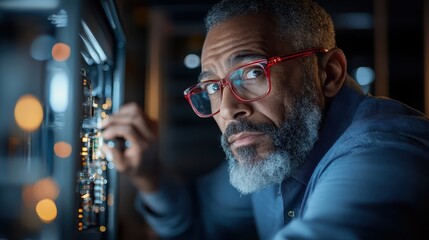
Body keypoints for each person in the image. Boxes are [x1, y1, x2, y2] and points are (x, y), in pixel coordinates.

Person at [101, 0, 429, 239]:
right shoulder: (277, 150)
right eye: (213, 86)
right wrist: (148, 174)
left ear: (329, 73)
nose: (229, 109)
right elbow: (200, 221)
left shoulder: (387, 147)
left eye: (252, 72)